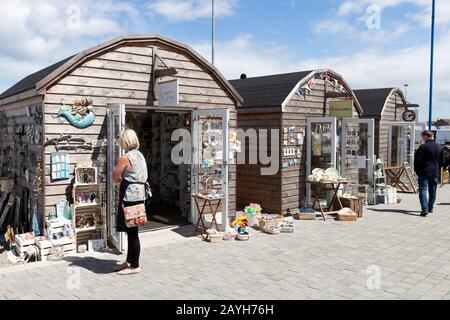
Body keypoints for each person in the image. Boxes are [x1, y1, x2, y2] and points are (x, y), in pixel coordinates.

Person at [112, 129, 151, 275]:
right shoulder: (140, 156)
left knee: (133, 232)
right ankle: (129, 260)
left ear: (125, 141)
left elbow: (115, 177)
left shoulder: (125, 157)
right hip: (140, 196)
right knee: (131, 230)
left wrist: (121, 179)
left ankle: (135, 266)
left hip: (129, 197)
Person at [414, 130, 445, 217]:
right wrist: (437, 168)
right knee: (433, 190)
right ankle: (430, 207)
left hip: (423, 172)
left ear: (426, 136)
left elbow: (417, 160)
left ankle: (424, 208)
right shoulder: (439, 147)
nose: (422, 139)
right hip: (434, 172)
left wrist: (417, 171)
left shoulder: (423, 147)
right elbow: (443, 161)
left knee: (423, 189)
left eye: (423, 137)